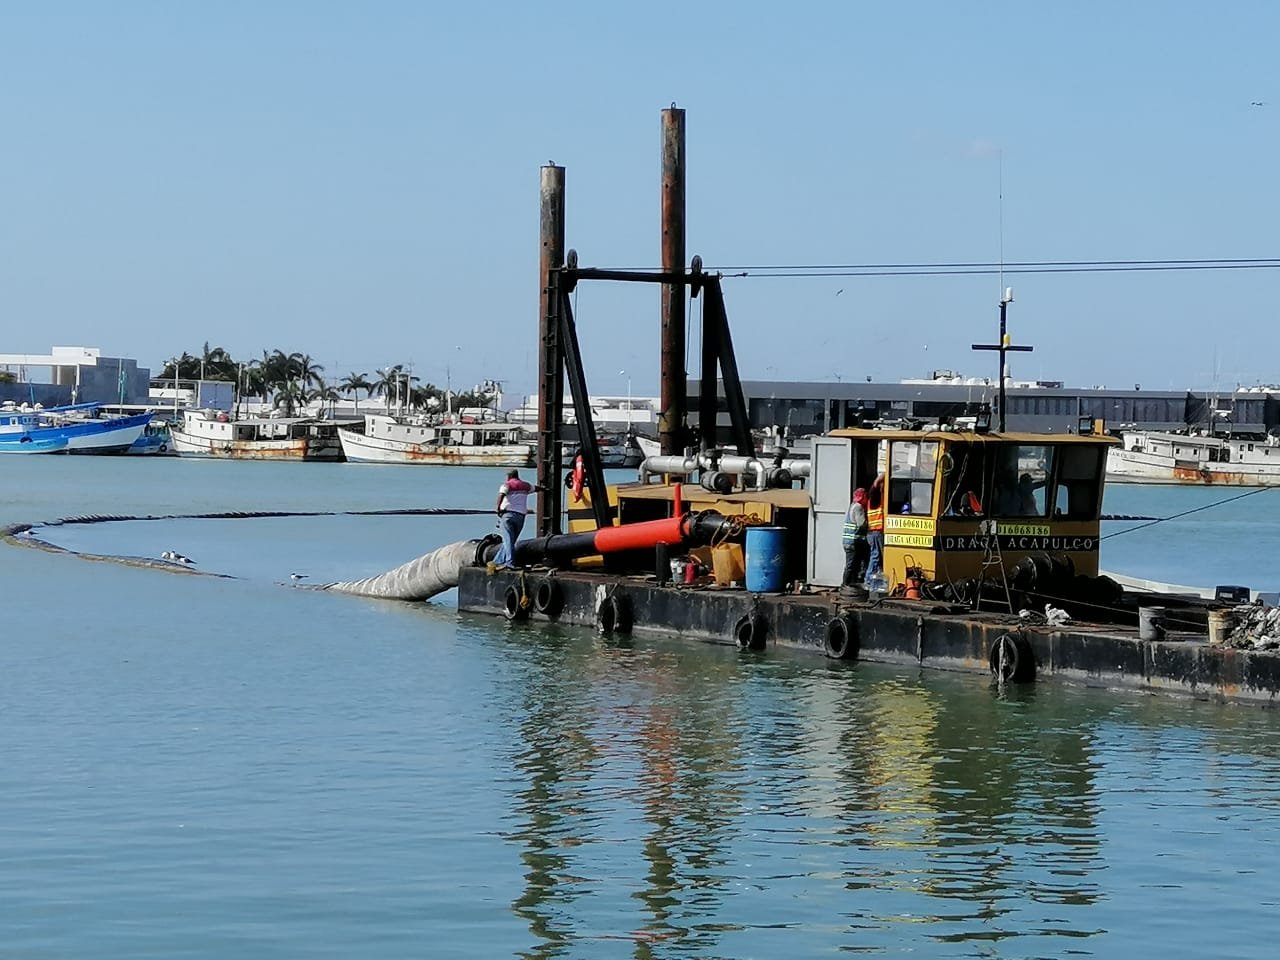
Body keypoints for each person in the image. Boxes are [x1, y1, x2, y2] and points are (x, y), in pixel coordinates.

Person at [493, 469, 537, 569]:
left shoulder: (506, 485)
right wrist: (544, 489)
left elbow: (501, 495)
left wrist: (498, 508)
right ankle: (497, 561)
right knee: (510, 540)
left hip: (508, 515)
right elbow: (536, 488)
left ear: (509, 476)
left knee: (508, 540)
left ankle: (509, 562)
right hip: (520, 516)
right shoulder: (525, 485)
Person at [842, 487, 870, 588]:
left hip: (848, 541)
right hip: (854, 542)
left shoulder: (852, 506)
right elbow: (861, 523)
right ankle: (846, 585)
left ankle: (848, 584)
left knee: (852, 564)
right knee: (853, 565)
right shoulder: (858, 507)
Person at [866, 473, 885, 587]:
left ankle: (874, 583)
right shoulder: (874, 500)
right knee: (876, 556)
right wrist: (885, 474)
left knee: (878, 559)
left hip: (875, 533)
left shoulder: (879, 500)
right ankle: (868, 581)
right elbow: (876, 484)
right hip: (876, 533)